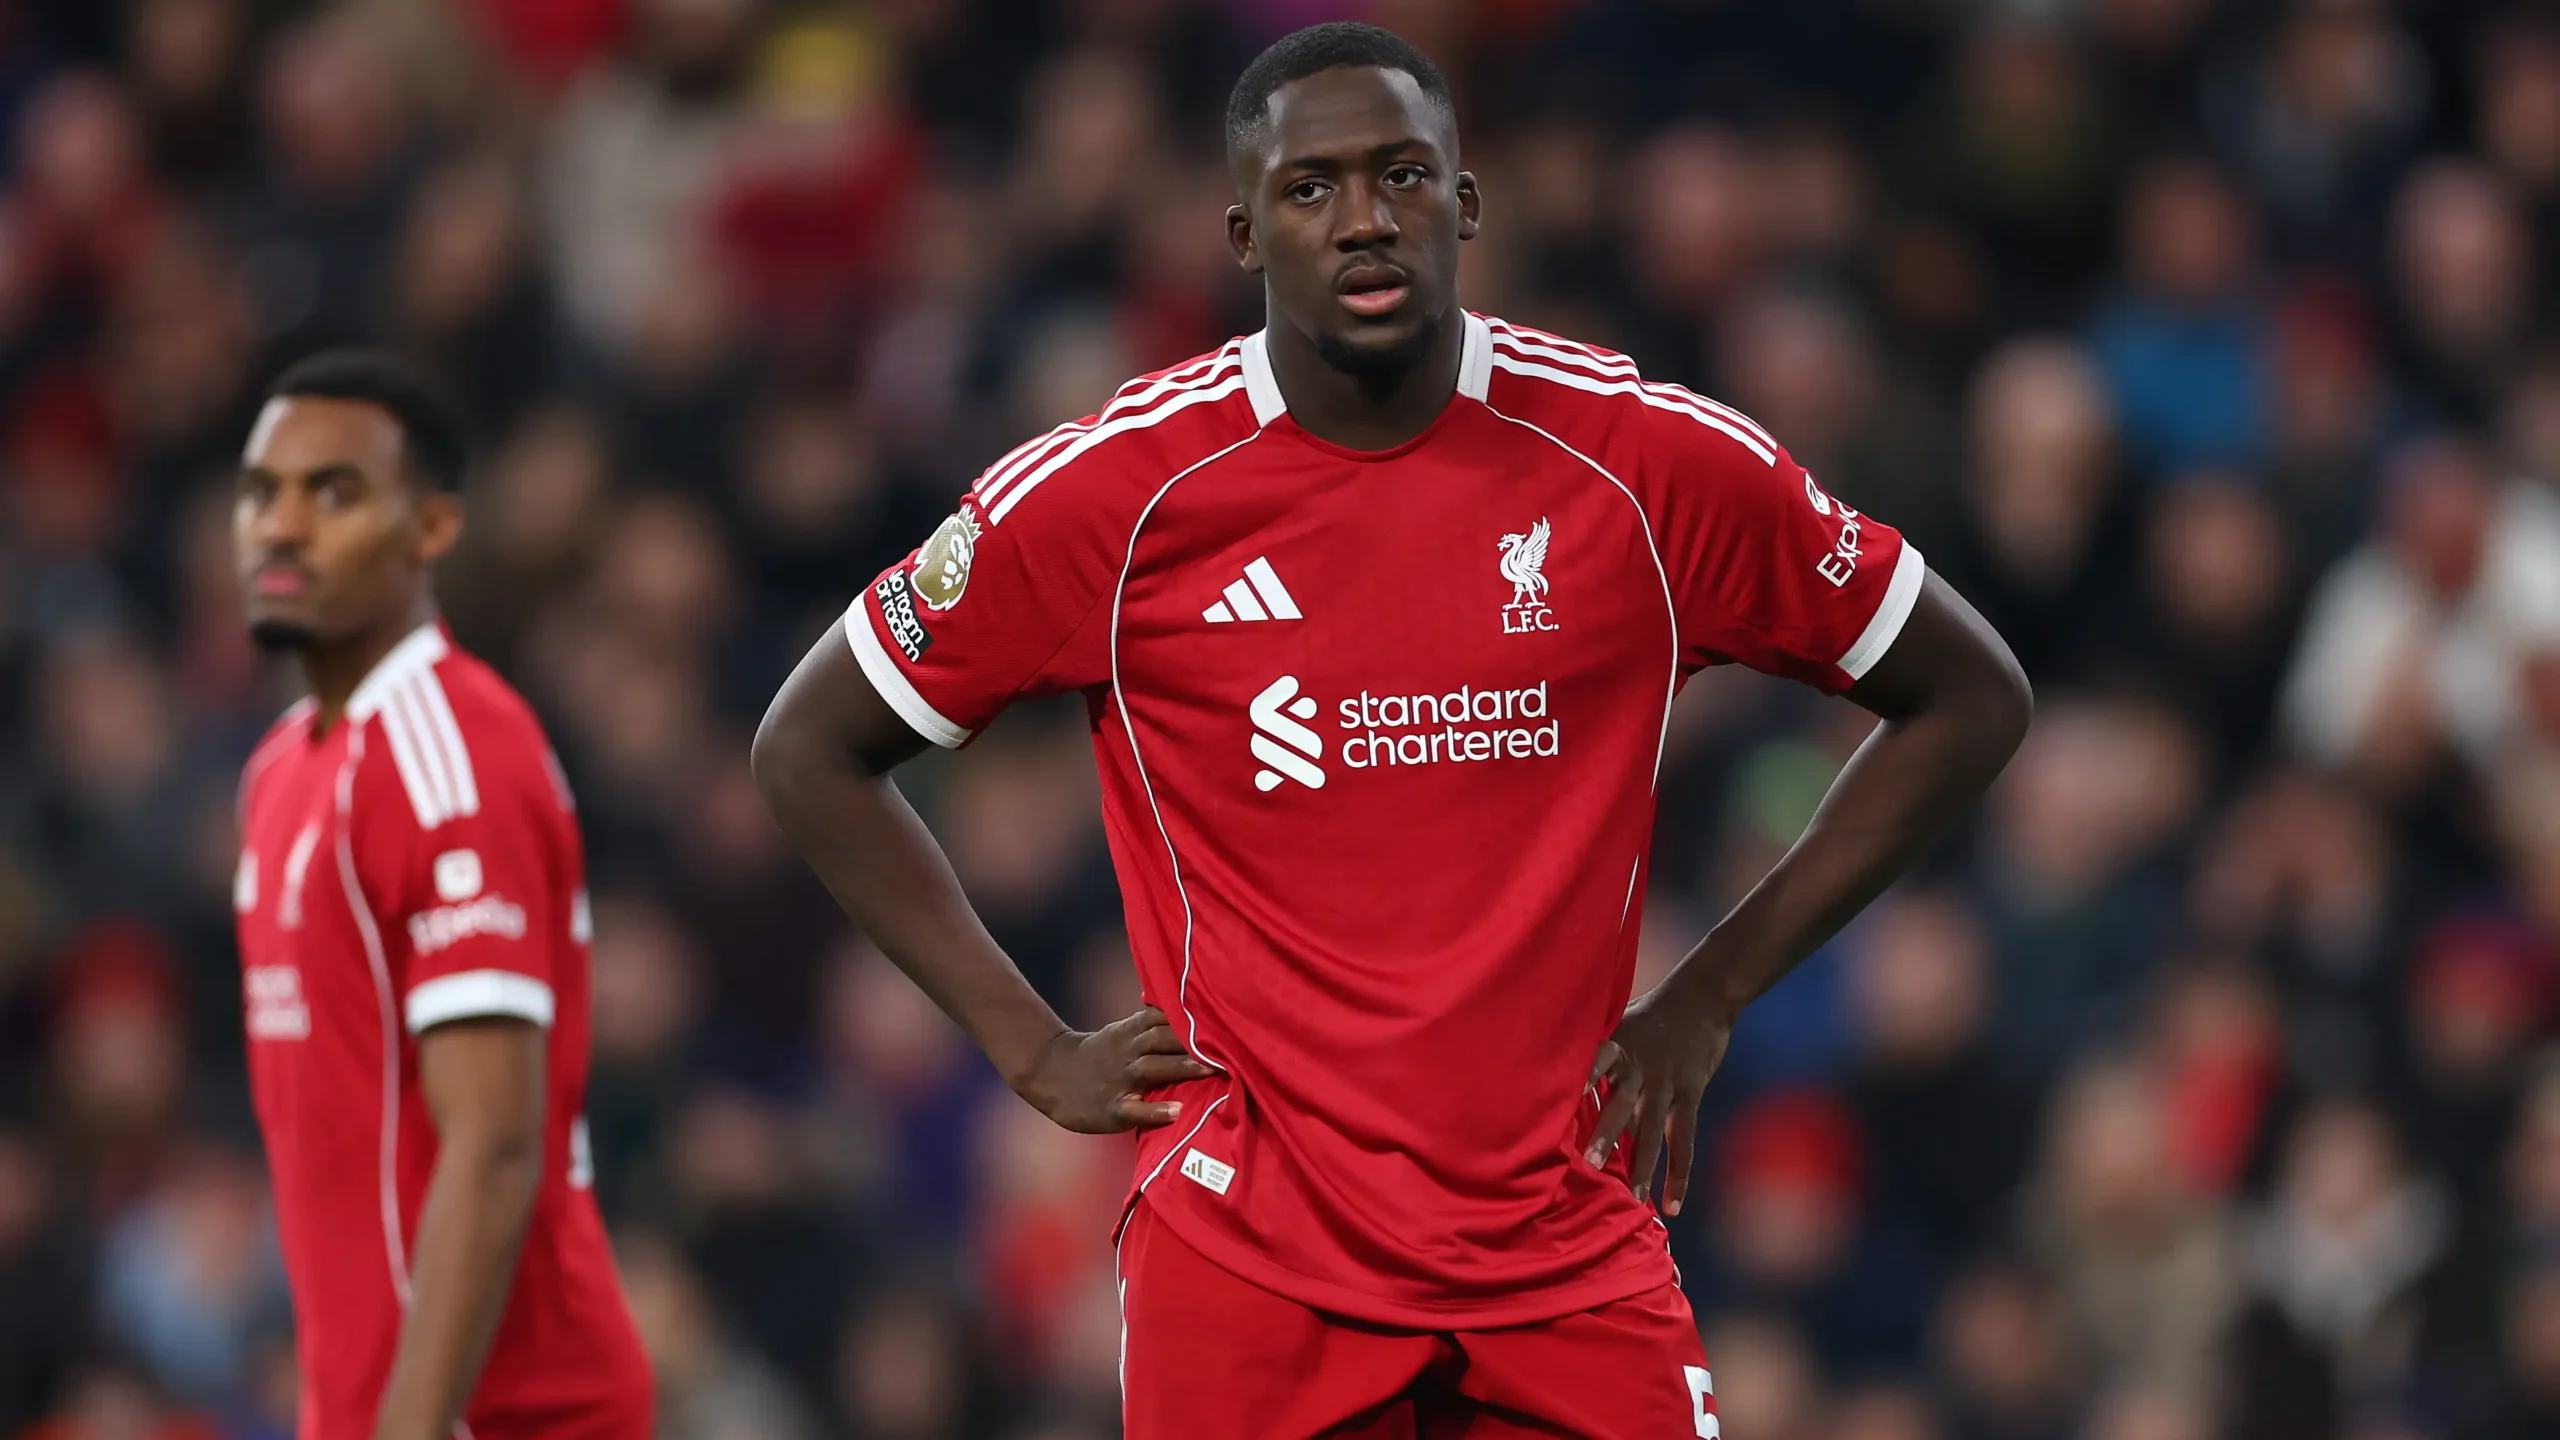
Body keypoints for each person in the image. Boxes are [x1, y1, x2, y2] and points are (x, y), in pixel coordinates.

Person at [754, 22, 2031, 1438]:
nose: (1363, 218)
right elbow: (809, 747)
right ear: (1244, 233)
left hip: (1562, 1239)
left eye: (1402, 175)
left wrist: (1714, 991)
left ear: (1465, 205)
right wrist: (1028, 1047)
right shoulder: (1122, 495)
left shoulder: (1642, 465)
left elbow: (1970, 695)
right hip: (1253, 1259)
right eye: (1310, 188)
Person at [230, 351, 652, 1440]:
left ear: (431, 529)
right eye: (262, 492)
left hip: (506, 1412)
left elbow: (496, 1145)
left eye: (333, 494)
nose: (282, 527)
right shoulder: (279, 771)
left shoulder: (454, 755)